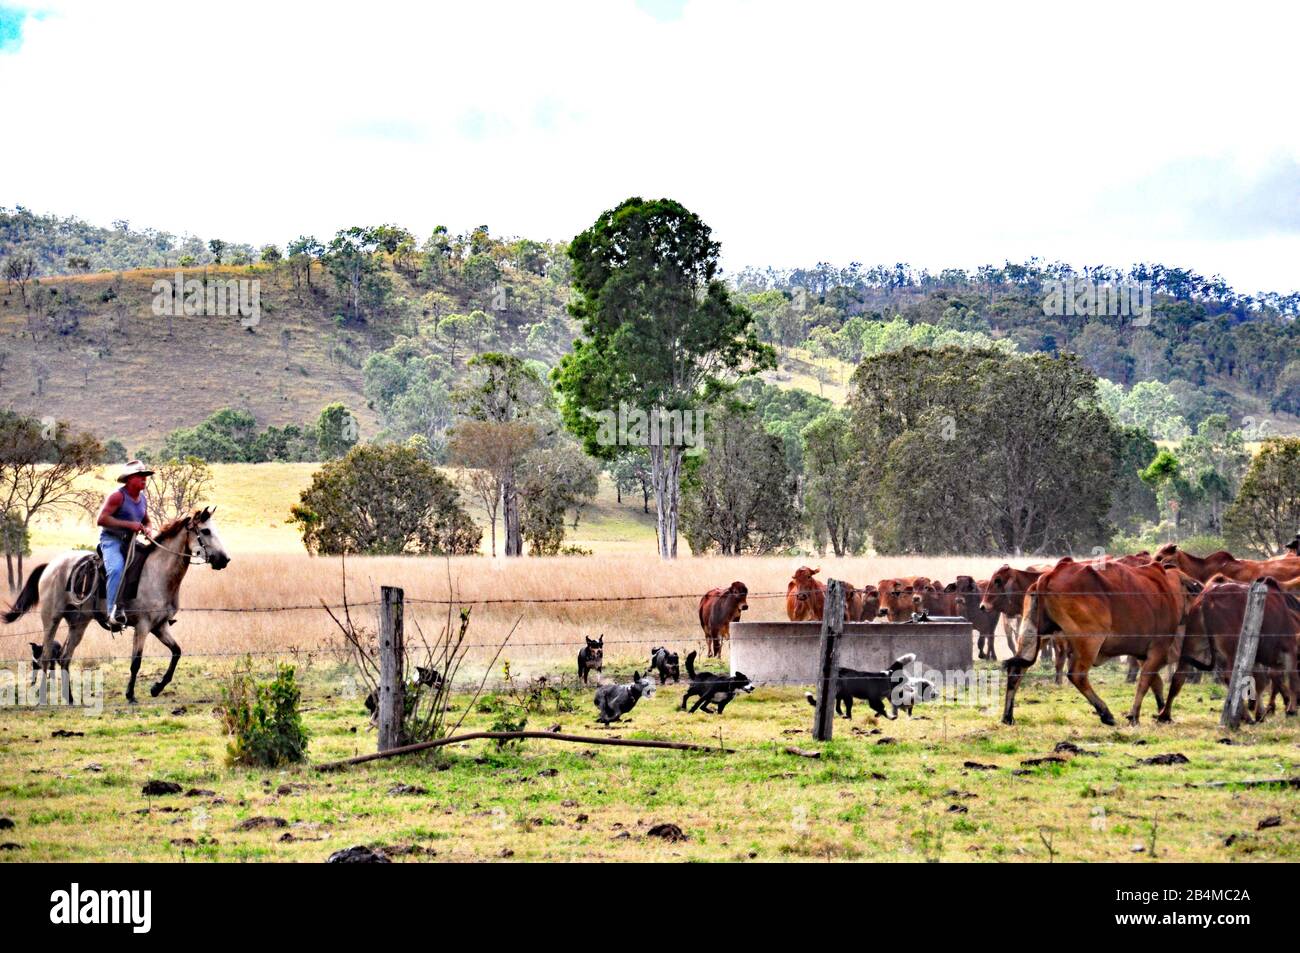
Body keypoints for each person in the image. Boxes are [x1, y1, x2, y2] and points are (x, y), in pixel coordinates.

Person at [96, 460, 154, 629]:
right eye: (140, 476)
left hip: (131, 543)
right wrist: (130, 525)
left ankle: (150, 611)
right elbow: (102, 519)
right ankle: (111, 613)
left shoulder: (142, 499)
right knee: (116, 569)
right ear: (129, 479)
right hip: (111, 541)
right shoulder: (118, 496)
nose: (144, 479)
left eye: (145, 476)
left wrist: (149, 530)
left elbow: (147, 521)